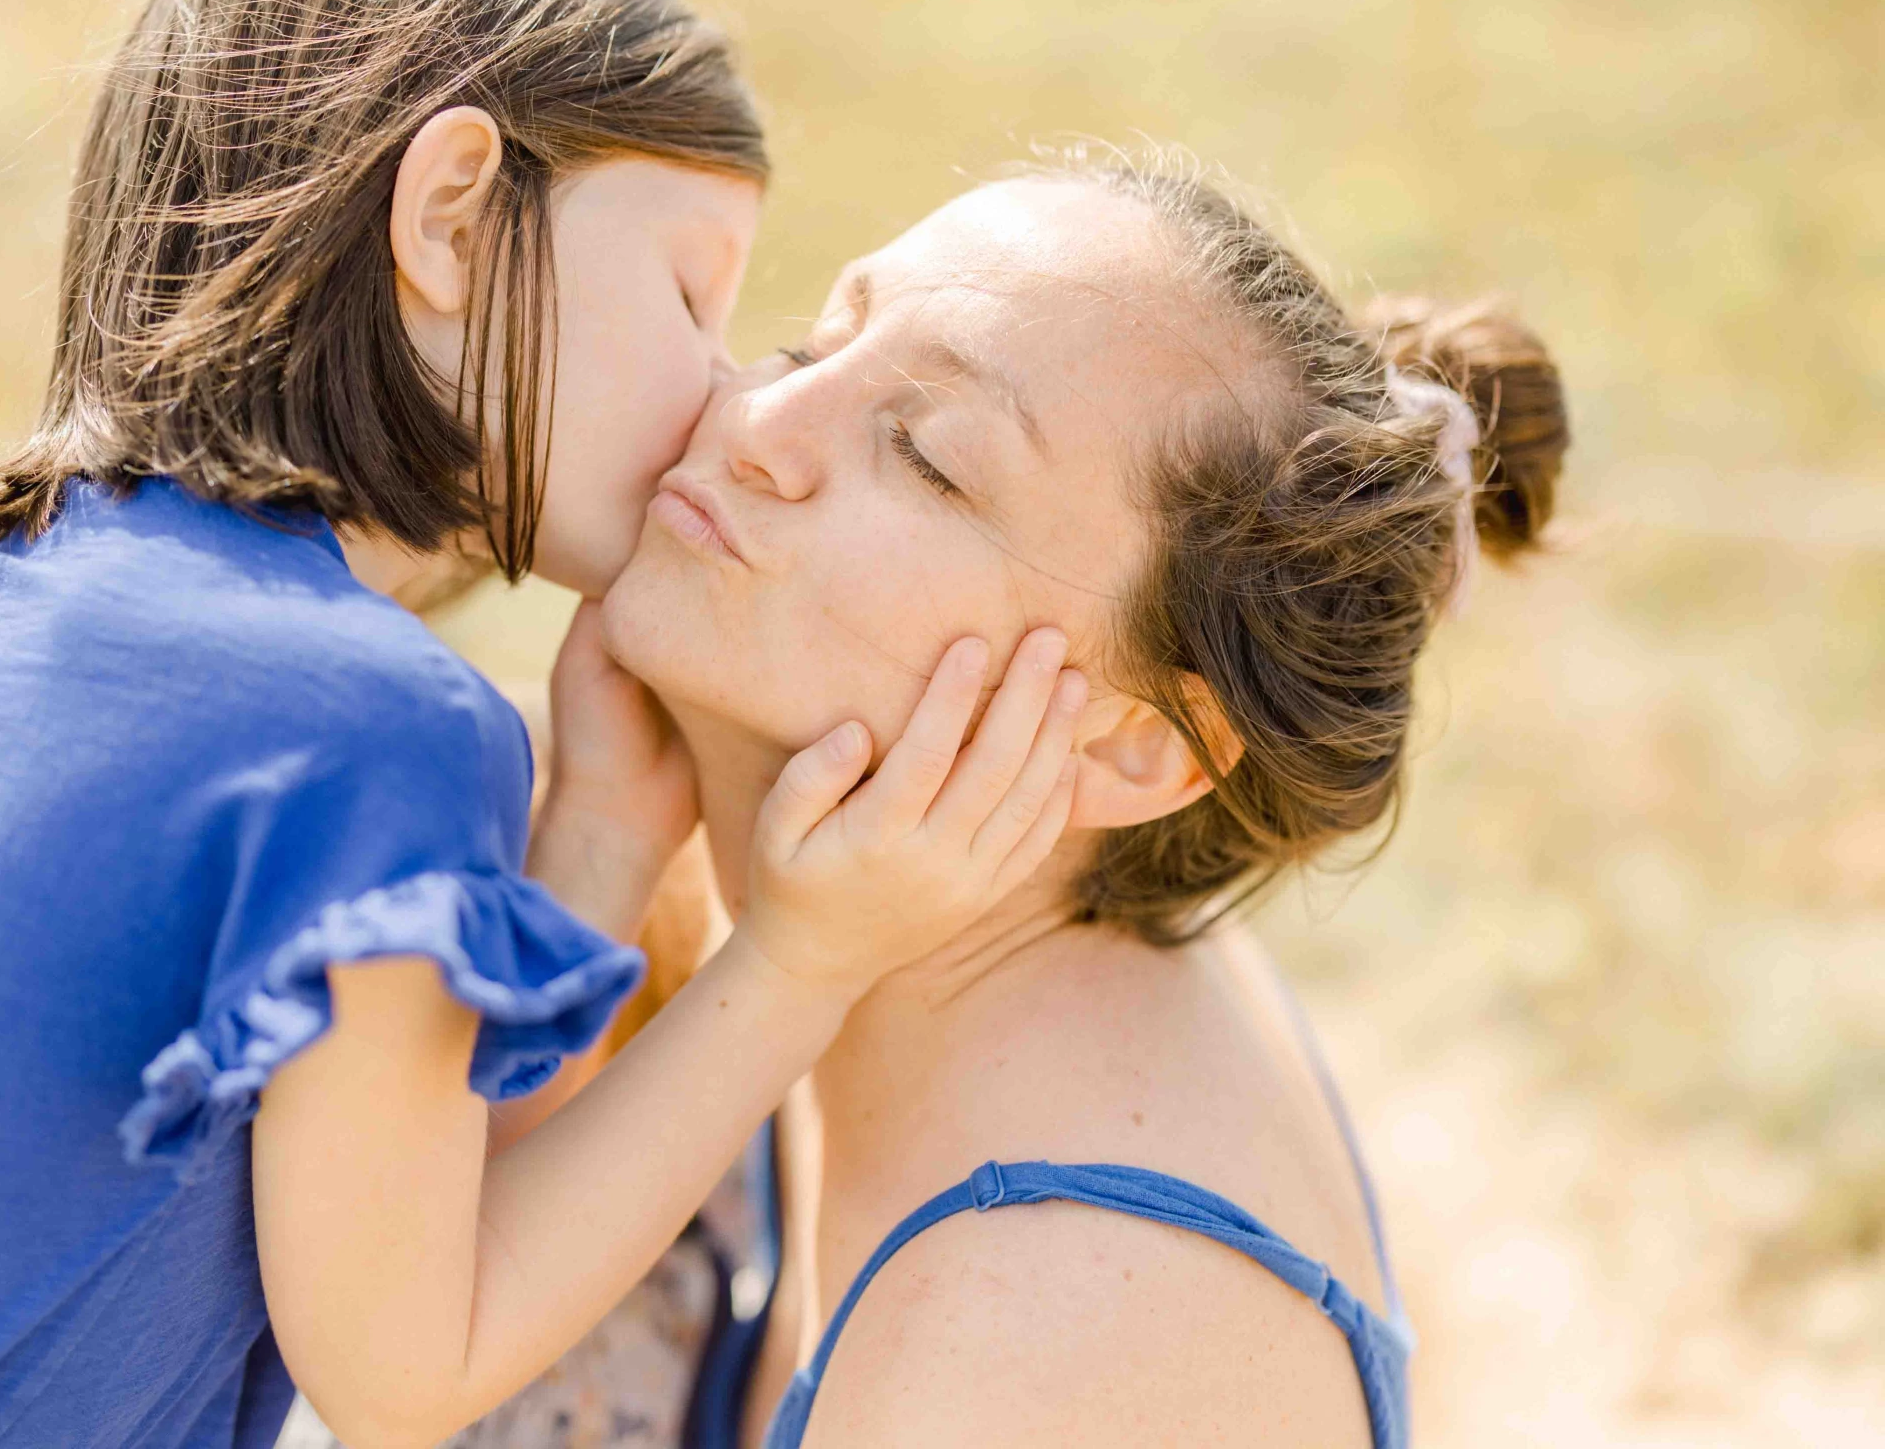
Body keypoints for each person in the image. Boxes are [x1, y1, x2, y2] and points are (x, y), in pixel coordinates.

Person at [0, 0, 1085, 1448]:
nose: (723, 393)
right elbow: (409, 1361)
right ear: (452, 217)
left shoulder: (69, 577)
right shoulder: (369, 729)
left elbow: (391, 1177)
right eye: (688, 293)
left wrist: (600, 825)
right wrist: (805, 956)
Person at [595, 151, 1570, 1447]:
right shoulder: (835, 907)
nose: (756, 427)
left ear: (1137, 747)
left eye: (928, 459)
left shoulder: (1042, 1335)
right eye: (815, 339)